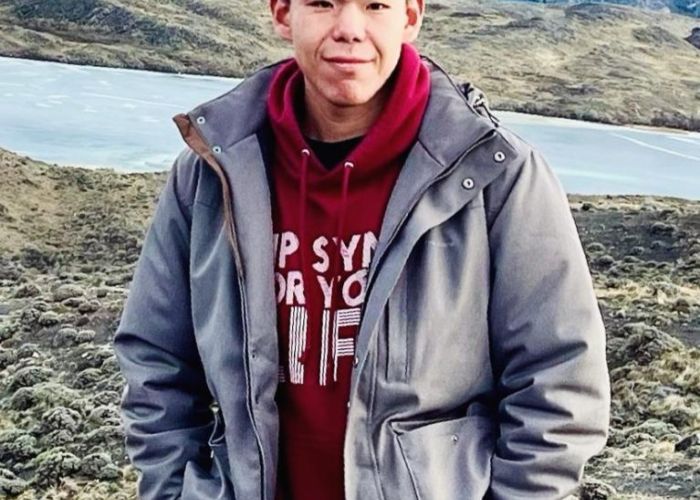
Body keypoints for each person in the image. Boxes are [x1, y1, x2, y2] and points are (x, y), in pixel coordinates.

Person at [112, 0, 611, 499]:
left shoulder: (496, 174)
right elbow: (157, 359)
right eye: (322, 4)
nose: (349, 28)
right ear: (283, 14)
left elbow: (559, 383)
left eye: (375, 5)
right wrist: (174, 490)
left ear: (410, 17)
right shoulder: (210, 171)